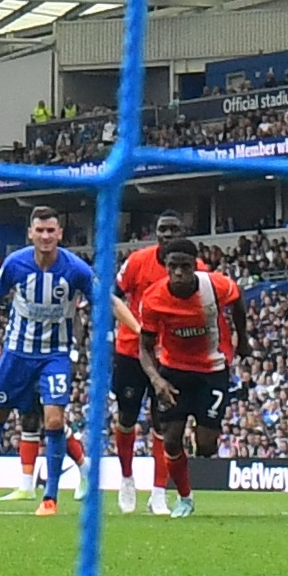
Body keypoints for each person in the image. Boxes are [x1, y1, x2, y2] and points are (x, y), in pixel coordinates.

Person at [0, 207, 91, 517]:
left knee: (54, 420)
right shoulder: (16, 264)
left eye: (51, 230)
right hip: (17, 353)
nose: (46, 236)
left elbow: (99, 305)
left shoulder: (76, 270)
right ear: (30, 233)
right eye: (40, 230)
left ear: (60, 233)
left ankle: (50, 497)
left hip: (56, 355)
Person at [133, 237, 242, 519]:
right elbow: (144, 349)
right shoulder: (153, 299)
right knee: (170, 439)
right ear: (165, 267)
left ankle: (200, 430)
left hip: (213, 371)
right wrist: (157, 381)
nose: (179, 273)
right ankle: (184, 498)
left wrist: (244, 339)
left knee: (206, 448)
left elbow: (237, 300)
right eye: (173, 267)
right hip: (174, 372)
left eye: (185, 266)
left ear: (195, 266)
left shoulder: (216, 286)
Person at [103, 211, 183, 514]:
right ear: (156, 232)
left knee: (164, 422)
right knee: (126, 418)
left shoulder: (194, 268)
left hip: (170, 355)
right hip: (131, 350)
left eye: (174, 229)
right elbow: (113, 296)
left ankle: (159, 491)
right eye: (163, 229)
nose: (168, 234)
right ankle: (126, 479)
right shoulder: (137, 261)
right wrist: (135, 326)